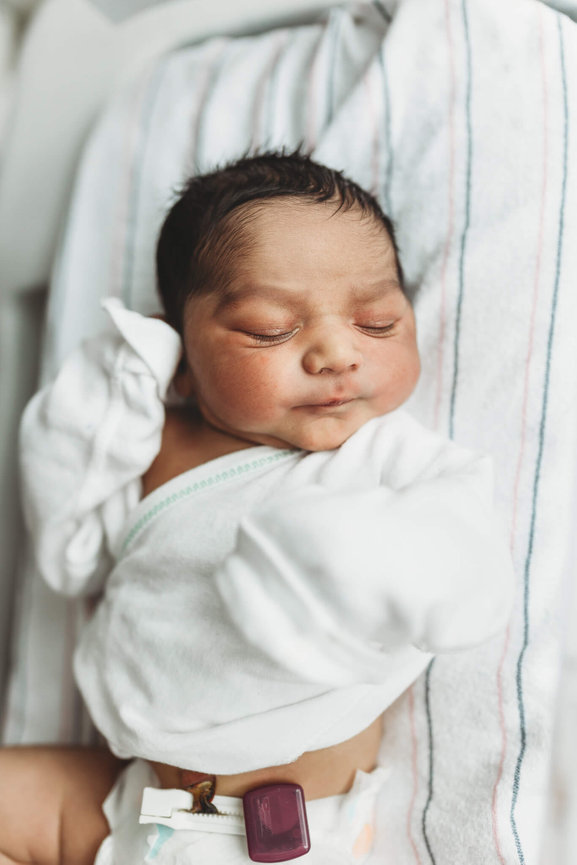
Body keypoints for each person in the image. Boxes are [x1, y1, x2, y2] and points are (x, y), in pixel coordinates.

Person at [0, 150, 515, 865]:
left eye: (374, 322)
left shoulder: (382, 461)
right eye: (270, 328)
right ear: (183, 358)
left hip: (272, 836)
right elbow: (70, 555)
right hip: (129, 803)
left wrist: (348, 556)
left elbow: (467, 562)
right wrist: (104, 397)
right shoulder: (154, 450)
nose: (336, 351)